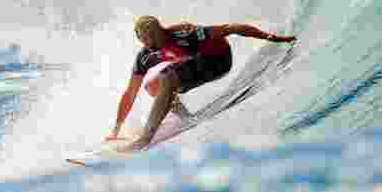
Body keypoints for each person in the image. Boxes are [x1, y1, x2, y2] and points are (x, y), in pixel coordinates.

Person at [107, 15, 296, 152]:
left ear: (156, 31)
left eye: (148, 36)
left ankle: (145, 138)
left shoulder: (184, 34)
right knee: (152, 85)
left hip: (219, 60)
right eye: (142, 38)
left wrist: (273, 38)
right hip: (195, 64)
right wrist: (117, 128)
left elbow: (230, 28)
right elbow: (130, 93)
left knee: (168, 76)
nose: (145, 41)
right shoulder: (146, 55)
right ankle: (186, 118)